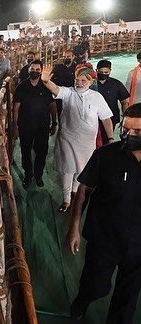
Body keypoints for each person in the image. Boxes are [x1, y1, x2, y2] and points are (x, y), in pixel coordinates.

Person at [66, 103, 141, 323]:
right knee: (95, 286)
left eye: (136, 132)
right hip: (104, 239)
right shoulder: (105, 155)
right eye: (125, 130)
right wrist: (74, 228)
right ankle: (81, 302)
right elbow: (84, 189)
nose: (128, 135)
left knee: (127, 300)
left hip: (137, 245)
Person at [40, 63, 114, 212]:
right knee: (67, 169)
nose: (79, 83)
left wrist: (111, 138)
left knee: (81, 169)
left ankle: (74, 190)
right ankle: (66, 200)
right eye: (77, 80)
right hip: (67, 139)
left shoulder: (97, 97)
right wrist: (46, 81)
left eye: (83, 81)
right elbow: (55, 89)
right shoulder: (69, 93)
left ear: (91, 81)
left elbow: (106, 119)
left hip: (87, 143)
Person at [13, 60, 57, 188]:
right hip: (25, 126)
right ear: (28, 69)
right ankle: (28, 175)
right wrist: (15, 127)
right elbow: (15, 108)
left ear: (41, 71)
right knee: (25, 151)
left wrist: (54, 123)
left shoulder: (46, 86)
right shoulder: (21, 87)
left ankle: (38, 176)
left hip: (42, 127)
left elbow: (52, 105)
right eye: (33, 69)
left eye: (38, 69)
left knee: (41, 152)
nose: (35, 71)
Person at [96, 59, 130, 144]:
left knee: (107, 139)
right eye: (101, 72)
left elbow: (124, 102)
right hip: (94, 117)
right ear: (96, 70)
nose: (103, 74)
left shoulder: (116, 84)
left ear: (110, 71)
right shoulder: (91, 84)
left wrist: (125, 118)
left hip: (112, 117)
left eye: (106, 72)